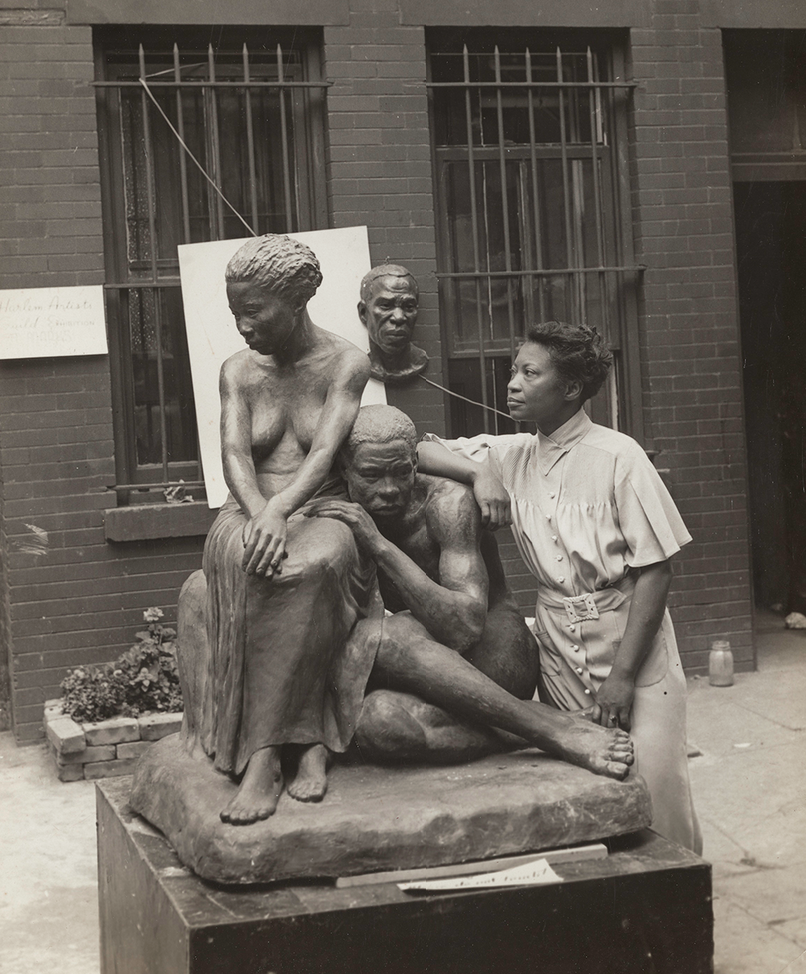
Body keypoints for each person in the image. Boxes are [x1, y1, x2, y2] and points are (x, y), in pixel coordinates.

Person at [417, 322, 702, 853]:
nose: (513, 384)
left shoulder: (619, 456)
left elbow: (657, 571)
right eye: (513, 371)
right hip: (556, 641)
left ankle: (670, 901)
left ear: (570, 388)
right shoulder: (510, 454)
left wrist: (622, 676)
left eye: (530, 372)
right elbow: (416, 451)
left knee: (656, 787)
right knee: (585, 782)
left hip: (631, 640)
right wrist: (479, 475)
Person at [306, 404, 636, 778]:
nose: (389, 489)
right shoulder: (338, 504)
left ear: (415, 464)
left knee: (387, 637)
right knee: (378, 724)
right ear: (344, 471)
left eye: (401, 472)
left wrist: (379, 546)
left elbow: (465, 626)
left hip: (496, 650)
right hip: (427, 659)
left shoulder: (447, 503)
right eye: (371, 475)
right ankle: (543, 725)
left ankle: (554, 732)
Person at [200, 233, 383, 825]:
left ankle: (295, 745)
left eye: (254, 312)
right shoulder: (237, 371)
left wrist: (286, 511)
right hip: (247, 509)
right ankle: (276, 755)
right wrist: (263, 513)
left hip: (320, 508)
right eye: (235, 313)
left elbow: (327, 451)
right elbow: (233, 454)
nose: (243, 326)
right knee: (258, 562)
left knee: (311, 567)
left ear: (297, 300)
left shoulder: (346, 363)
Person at [358, 263, 429, 384]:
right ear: (363, 312)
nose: (399, 317)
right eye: (386, 306)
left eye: (409, 306)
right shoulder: (356, 365)